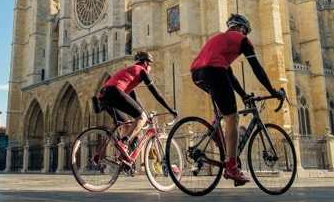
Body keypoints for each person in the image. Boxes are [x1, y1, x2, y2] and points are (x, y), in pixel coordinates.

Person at [190, 13, 284, 184]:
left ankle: (212, 133)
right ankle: (231, 167)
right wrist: (273, 91)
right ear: (242, 28)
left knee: (221, 111)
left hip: (197, 74)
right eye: (245, 32)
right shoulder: (241, 39)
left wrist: (244, 95)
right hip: (214, 71)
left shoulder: (219, 41)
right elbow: (257, 68)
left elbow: (230, 76)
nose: (245, 35)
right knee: (232, 118)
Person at [96, 51, 177, 163]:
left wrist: (144, 113)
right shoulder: (141, 70)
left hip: (103, 95)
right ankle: (123, 143)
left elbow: (135, 100)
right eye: (150, 65)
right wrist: (169, 109)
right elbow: (156, 93)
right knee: (141, 118)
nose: (150, 69)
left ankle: (121, 157)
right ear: (146, 63)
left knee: (126, 124)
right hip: (114, 92)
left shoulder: (130, 74)